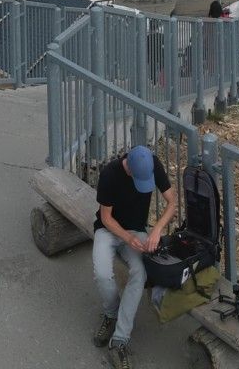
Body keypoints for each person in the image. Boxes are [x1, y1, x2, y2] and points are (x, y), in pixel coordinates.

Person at [91, 141, 183, 350]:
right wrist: (127, 238)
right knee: (102, 274)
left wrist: (157, 229)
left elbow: (172, 202)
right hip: (109, 230)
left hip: (136, 230)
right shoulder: (109, 174)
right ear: (129, 168)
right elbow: (106, 218)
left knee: (140, 273)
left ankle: (121, 337)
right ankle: (111, 313)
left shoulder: (152, 163)